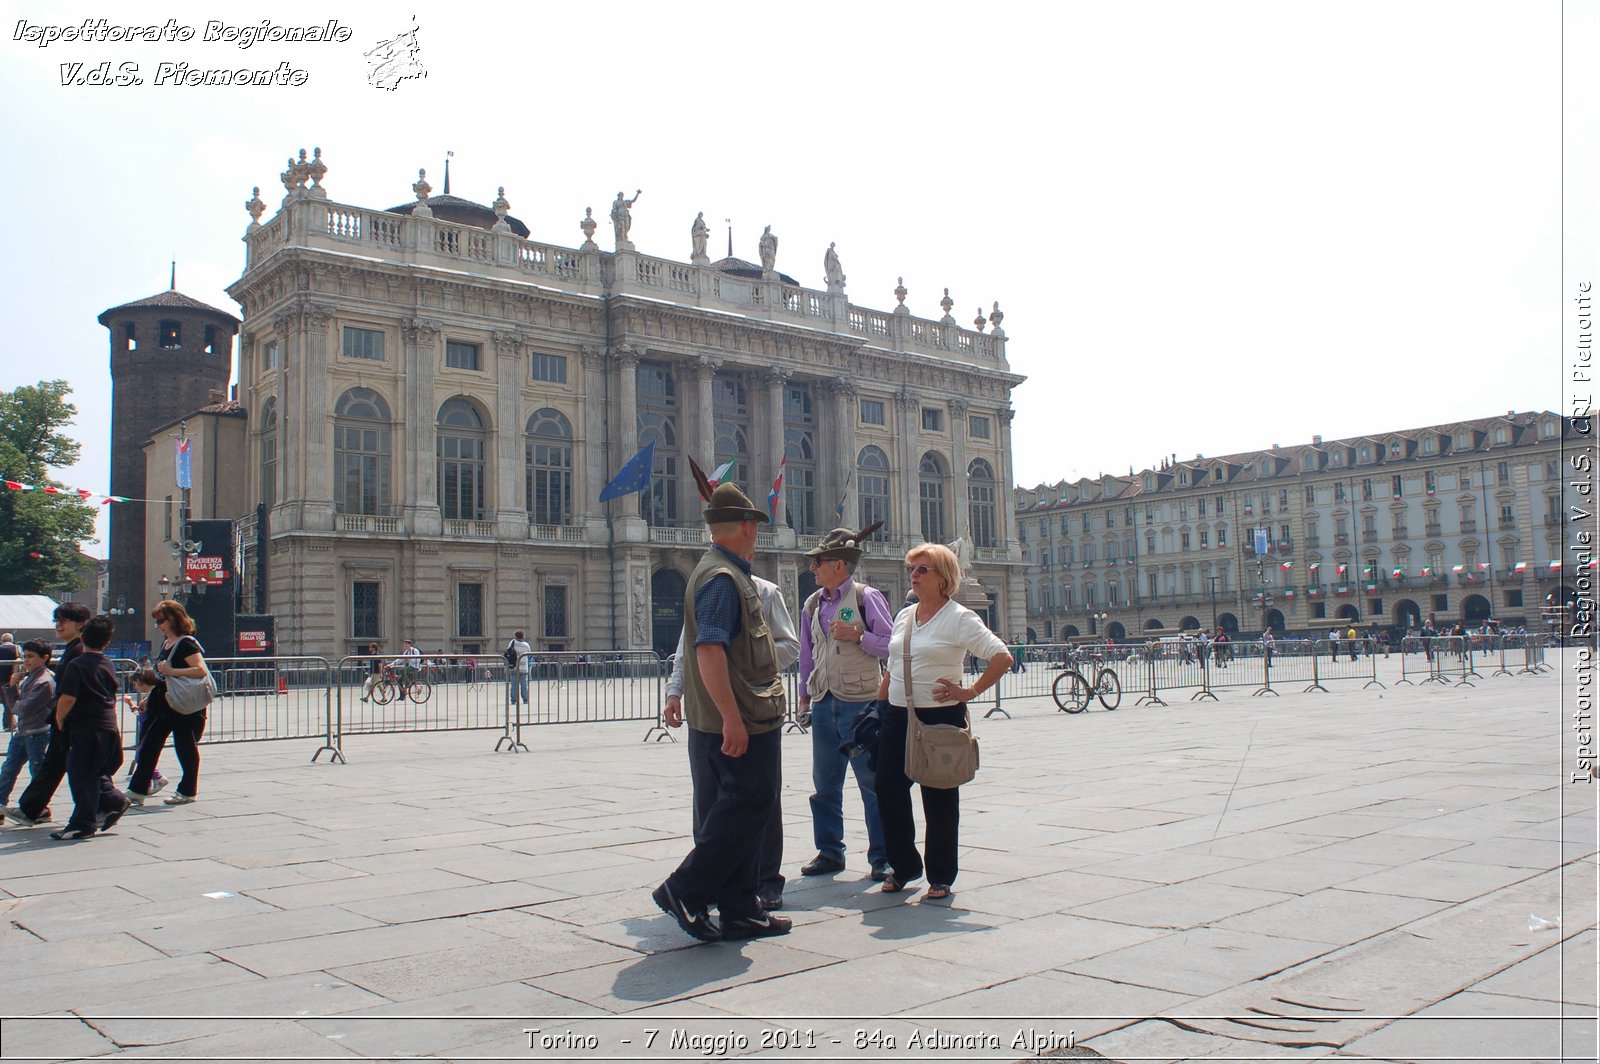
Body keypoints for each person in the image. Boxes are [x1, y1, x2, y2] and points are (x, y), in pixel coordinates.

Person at [653, 479, 788, 943]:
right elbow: (709, 650)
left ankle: (739, 908)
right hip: (739, 718)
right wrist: (731, 717)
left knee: (746, 806)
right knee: (748, 803)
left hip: (743, 714)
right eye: (755, 523)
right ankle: (685, 889)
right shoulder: (721, 579)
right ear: (747, 527)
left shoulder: (726, 571)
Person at [874, 543, 1011, 900]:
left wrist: (971, 691)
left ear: (944, 577)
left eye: (922, 570)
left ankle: (941, 874)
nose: (914, 576)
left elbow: (1002, 656)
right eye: (912, 570)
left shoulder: (960, 617)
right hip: (898, 713)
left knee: (939, 793)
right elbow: (894, 660)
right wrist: (880, 698)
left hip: (939, 714)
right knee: (888, 788)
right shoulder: (905, 615)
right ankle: (903, 865)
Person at [665, 564, 798, 910]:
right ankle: (714, 882)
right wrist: (674, 692)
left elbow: (790, 645)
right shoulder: (706, 589)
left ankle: (767, 880)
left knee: (761, 800)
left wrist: (744, 664)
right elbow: (689, 648)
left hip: (753, 712)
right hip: (706, 713)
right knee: (708, 800)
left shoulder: (767, 592)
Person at [795, 525, 892, 883]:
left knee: (871, 782)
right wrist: (804, 695)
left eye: (818, 561)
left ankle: (882, 857)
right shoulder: (812, 603)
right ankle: (830, 852)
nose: (812, 568)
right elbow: (807, 654)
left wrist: (859, 636)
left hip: (861, 703)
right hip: (823, 702)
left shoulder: (867, 598)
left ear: (839, 564)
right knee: (824, 783)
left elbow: (891, 644)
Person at [5, 602, 92, 827]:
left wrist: (60, 718)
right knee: (48, 767)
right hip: (54, 724)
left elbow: (68, 693)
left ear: (80, 624)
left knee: (60, 768)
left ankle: (108, 802)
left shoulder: (77, 651)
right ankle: (32, 809)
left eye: (64, 621)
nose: (58, 625)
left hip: (59, 724)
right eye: (56, 621)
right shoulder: (74, 649)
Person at [49, 614, 130, 840]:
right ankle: (114, 800)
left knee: (81, 775)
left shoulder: (77, 665)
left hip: (86, 727)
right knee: (94, 771)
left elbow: (68, 698)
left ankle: (83, 823)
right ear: (107, 642)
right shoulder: (107, 663)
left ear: (83, 636)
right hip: (107, 726)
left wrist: (60, 719)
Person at [126, 600, 209, 806]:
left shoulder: (186, 643)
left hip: (181, 704)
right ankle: (137, 789)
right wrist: (148, 698)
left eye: (161, 621)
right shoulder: (166, 643)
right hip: (163, 702)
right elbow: (162, 677)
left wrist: (173, 671)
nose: (159, 626)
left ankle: (188, 790)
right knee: (149, 744)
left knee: (185, 746)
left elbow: (200, 670)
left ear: (173, 619)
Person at [0, 641, 55, 818]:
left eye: (31, 656)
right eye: (24, 656)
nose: (26, 660)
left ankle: (40, 807)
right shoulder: (30, 677)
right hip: (24, 731)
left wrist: (12, 689)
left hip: (37, 733)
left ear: (45, 658)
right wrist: (13, 688)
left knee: (37, 771)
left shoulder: (44, 681)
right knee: (9, 768)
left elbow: (23, 708)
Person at [120, 669, 169, 796]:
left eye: (135, 684)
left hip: (148, 730)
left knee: (142, 756)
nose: (135, 687)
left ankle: (157, 777)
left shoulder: (153, 694)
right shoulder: (151, 693)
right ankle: (146, 785)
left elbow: (145, 712)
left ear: (142, 682)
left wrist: (131, 703)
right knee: (143, 755)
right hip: (147, 729)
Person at [506, 630, 533, 710]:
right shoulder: (526, 645)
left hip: (514, 667)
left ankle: (513, 699)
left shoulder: (513, 642)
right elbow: (530, 656)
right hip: (524, 668)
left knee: (514, 684)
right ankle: (525, 699)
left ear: (516, 636)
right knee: (524, 685)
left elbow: (508, 651)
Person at [0, 631, 17, 731]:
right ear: (11, 640)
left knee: (5, 703)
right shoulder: (15, 649)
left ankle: (10, 724)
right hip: (11, 679)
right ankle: (9, 725)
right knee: (9, 703)